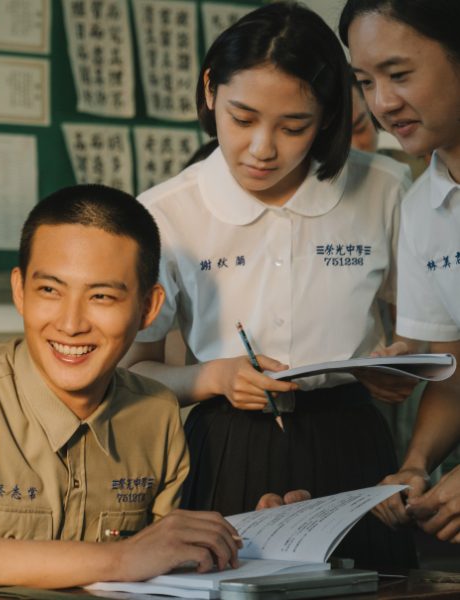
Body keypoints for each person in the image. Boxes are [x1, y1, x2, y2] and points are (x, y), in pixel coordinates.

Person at [122, 2, 418, 570]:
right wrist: (211, 376)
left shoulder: (384, 189)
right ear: (210, 91)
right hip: (229, 443)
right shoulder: (167, 212)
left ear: (329, 115)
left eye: (293, 127)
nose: (262, 148)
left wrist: (399, 363)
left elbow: (420, 330)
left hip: (353, 442)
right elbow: (135, 373)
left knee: (375, 585)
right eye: (242, 117)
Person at [0, 184, 243, 593]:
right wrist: (119, 558)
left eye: (101, 296)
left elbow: (166, 565)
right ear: (19, 291)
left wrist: (246, 538)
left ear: (149, 309)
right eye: (50, 290)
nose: (70, 323)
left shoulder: (156, 413)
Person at [339, 0, 460, 542]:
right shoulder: (420, 209)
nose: (383, 103)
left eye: (399, 74)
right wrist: (416, 464)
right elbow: (455, 361)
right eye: (365, 81)